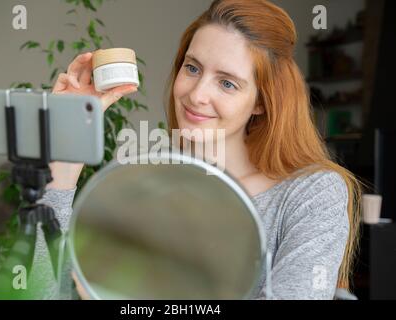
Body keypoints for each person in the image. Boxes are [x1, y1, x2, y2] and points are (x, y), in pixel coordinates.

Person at [35, 0, 363, 299]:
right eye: (192, 68)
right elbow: (45, 293)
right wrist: (63, 160)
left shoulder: (312, 193)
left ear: (261, 102)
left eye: (227, 82)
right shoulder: (143, 182)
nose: (196, 95)